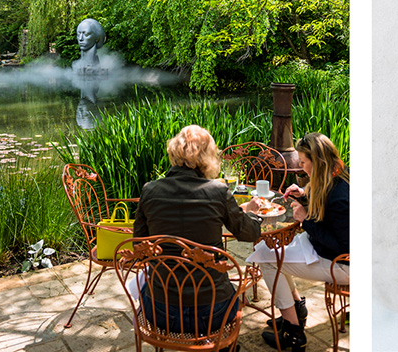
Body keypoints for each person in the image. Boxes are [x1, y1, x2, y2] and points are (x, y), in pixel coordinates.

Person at [133, 125, 263, 341]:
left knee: (142, 281)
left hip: (160, 312)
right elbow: (249, 233)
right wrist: (253, 214)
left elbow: (137, 245)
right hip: (212, 312)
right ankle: (220, 344)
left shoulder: (149, 190)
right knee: (230, 288)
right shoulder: (218, 191)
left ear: (174, 152)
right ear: (208, 157)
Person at [256, 132, 349, 352]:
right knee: (266, 248)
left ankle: (294, 330)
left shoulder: (340, 196)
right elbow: (326, 214)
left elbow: (343, 246)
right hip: (321, 248)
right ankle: (296, 307)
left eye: (304, 162)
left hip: (340, 263)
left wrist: (306, 221)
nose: (302, 167)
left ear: (318, 162)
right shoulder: (334, 178)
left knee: (266, 259)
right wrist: (303, 197)